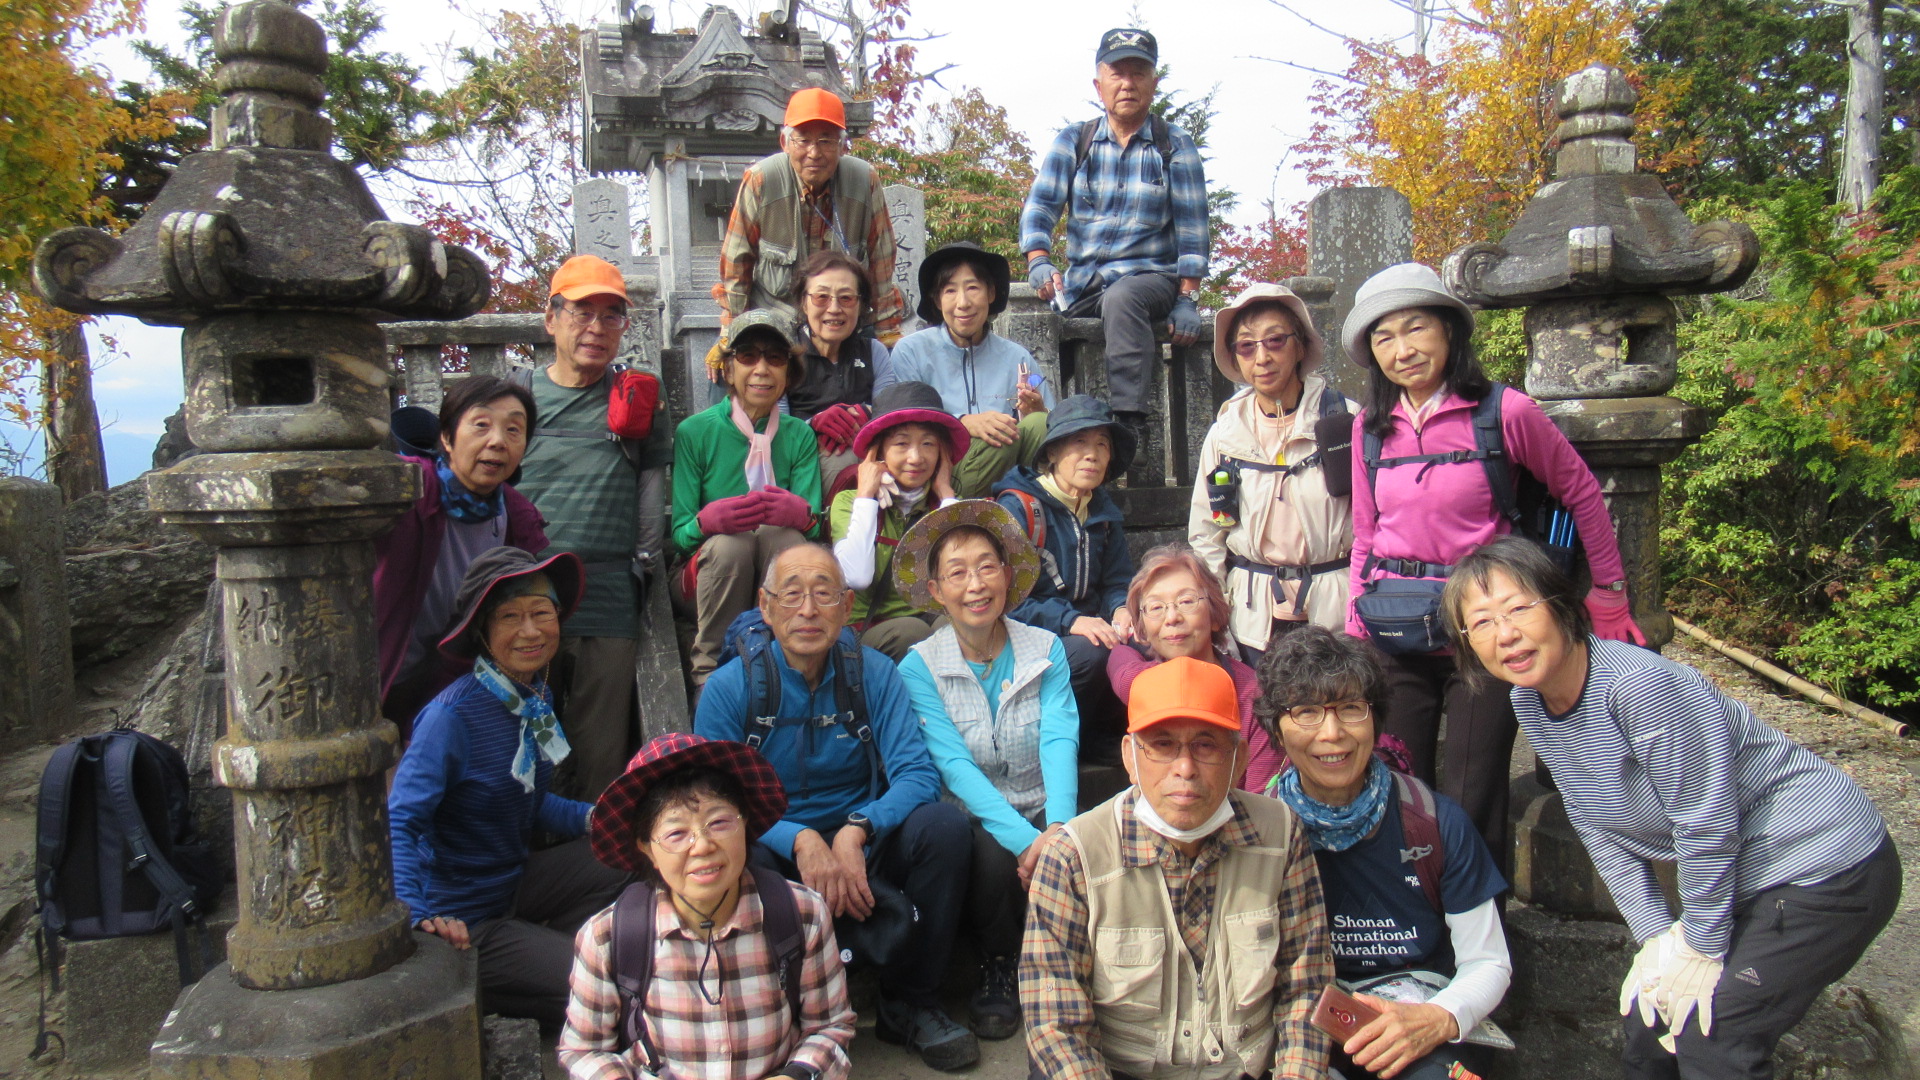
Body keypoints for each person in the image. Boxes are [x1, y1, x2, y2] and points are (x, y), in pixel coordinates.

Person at [1442, 537, 1900, 1080]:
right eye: (1482, 623)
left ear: (1561, 605)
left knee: (1713, 1035)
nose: (1505, 634)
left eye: (1519, 608)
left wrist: (1700, 947)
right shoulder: (1529, 700)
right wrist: (1656, 936)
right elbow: (1594, 822)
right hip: (1746, 874)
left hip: (1826, 865)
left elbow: (1706, 822)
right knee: (1651, 1022)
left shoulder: (1638, 686)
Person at [1342, 261, 1644, 867]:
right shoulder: (1369, 429)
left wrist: (1609, 594)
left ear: (1449, 330)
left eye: (1416, 328)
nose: (1402, 350)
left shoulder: (1503, 412)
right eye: (1384, 337)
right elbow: (1367, 531)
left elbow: (1581, 491)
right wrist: (1355, 618)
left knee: (1472, 791)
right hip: (1394, 625)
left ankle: (1478, 918)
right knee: (1399, 786)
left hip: (1486, 623)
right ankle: (1417, 913)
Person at [693, 544, 980, 1071]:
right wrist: (799, 839)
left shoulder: (873, 674)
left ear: (847, 607)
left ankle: (911, 1000)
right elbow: (716, 802)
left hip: (863, 843)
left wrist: (858, 829)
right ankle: (778, 1010)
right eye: (792, 595)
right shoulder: (731, 689)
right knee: (730, 854)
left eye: (824, 594)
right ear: (765, 606)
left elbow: (917, 775)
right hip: (775, 847)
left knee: (944, 827)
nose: (808, 610)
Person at [1022, 655, 1332, 1080]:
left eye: (1206, 745)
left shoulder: (1280, 834)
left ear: (1239, 760)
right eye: (1163, 745)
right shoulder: (1073, 856)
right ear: (1130, 757)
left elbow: (1306, 988)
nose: (1184, 769)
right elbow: (1056, 1022)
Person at [389, 547, 631, 1026]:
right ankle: (510, 976)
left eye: (542, 613)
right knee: (604, 984)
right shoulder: (450, 717)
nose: (531, 631)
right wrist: (418, 918)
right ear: (483, 631)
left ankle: (546, 956)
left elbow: (529, 800)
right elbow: (401, 819)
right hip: (465, 917)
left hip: (512, 884)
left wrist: (596, 817)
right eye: (510, 617)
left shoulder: (535, 697)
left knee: (626, 852)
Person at [1257, 626, 1511, 1080]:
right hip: (1297, 1023)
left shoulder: (1432, 821)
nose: (1332, 734)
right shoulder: (1259, 832)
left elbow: (1488, 960)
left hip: (1416, 1021)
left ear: (1376, 719)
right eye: (1307, 712)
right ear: (1277, 729)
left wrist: (1436, 1019)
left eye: (1351, 708)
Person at [558, 732, 856, 1079]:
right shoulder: (608, 937)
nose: (702, 846)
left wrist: (796, 1075)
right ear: (646, 847)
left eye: (719, 823)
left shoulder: (801, 914)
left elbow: (831, 1027)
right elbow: (583, 1050)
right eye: (676, 834)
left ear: (745, 823)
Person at [890, 499, 1079, 1042]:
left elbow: (1059, 736)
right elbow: (952, 764)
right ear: (936, 590)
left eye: (987, 567)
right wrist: (1026, 842)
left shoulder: (1045, 648)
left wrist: (1058, 829)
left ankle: (1068, 963)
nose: (975, 585)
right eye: (957, 573)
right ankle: (999, 962)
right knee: (994, 856)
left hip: (1042, 801)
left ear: (1008, 574)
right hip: (972, 814)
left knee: (1084, 842)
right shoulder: (919, 666)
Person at [513, 254, 672, 800]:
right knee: (520, 755)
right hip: (527, 594)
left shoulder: (639, 395)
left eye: (611, 316)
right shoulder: (519, 395)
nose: (596, 328)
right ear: (551, 318)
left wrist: (643, 566)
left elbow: (651, 495)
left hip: (607, 596)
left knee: (599, 758)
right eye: (582, 312)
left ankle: (592, 853)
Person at [1019, 27, 1209, 450]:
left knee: (1124, 297)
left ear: (1154, 83)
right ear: (1098, 84)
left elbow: (1193, 229)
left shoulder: (1174, 145)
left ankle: (1130, 423)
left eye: (1138, 74)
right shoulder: (1075, 140)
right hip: (1082, 282)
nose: (1127, 84)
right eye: (1117, 73)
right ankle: (1037, 435)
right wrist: (1039, 259)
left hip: (1149, 279)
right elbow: (1040, 205)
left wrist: (1188, 298)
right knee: (1033, 324)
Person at [1188, 283, 1355, 658]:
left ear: (1300, 346)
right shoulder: (1226, 433)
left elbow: (1375, 522)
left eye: (1275, 340)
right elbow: (1206, 532)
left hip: (1336, 610)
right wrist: (1217, 609)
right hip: (1253, 614)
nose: (1261, 357)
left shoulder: (1344, 421)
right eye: (1247, 346)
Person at [375, 375, 547, 732]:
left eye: (514, 430)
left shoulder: (518, 518)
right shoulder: (405, 492)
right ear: (446, 436)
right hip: (379, 676)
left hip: (451, 688)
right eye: (481, 425)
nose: (497, 441)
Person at [674, 310, 823, 686]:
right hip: (709, 576)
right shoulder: (695, 432)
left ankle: (789, 663)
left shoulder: (799, 435)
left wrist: (801, 516)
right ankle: (709, 674)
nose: (761, 369)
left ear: (788, 373)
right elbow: (678, 535)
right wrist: (705, 523)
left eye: (775, 358)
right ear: (728, 369)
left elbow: (814, 526)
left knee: (785, 538)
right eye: (747, 356)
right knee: (731, 544)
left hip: (774, 570)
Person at [993, 395, 1136, 758]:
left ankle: (1103, 735)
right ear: (1053, 452)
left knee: (1145, 639)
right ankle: (1064, 740)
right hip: (1026, 639)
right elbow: (1006, 601)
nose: (1092, 455)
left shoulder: (1103, 512)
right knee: (1092, 651)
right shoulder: (1018, 508)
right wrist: (1071, 621)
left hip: (1085, 626)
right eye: (1079, 442)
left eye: (1102, 445)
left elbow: (1117, 581)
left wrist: (1122, 609)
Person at [714, 87, 905, 340]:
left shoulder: (864, 180)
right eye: (803, 140)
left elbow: (882, 257)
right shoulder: (761, 179)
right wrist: (732, 332)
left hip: (840, 321)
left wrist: (887, 331)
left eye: (826, 141)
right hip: (776, 321)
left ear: (842, 146)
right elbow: (736, 261)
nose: (814, 153)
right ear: (785, 143)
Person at [880, 242, 1054, 498]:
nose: (963, 303)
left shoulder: (1017, 357)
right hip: (939, 473)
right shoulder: (911, 351)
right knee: (1000, 438)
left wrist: (1037, 412)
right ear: (937, 300)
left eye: (973, 288)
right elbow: (904, 423)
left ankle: (1025, 507)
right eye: (950, 291)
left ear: (991, 293)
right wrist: (963, 422)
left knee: (1039, 423)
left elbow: (1053, 426)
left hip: (1009, 471)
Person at [1107, 543, 1282, 794]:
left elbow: (1262, 800)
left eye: (1186, 601)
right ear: (1141, 628)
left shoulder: (1256, 697)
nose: (1172, 618)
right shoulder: (1140, 683)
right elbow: (1119, 658)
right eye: (1156, 607)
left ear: (1215, 614)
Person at [827, 381, 967, 660]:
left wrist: (946, 494)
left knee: (959, 622)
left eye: (928, 444)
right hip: (869, 630)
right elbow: (856, 577)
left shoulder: (947, 506)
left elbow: (962, 576)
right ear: (879, 453)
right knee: (911, 632)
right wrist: (866, 495)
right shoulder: (849, 502)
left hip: (928, 620)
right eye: (901, 444)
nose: (916, 458)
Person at [787, 250, 894, 488]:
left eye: (846, 298)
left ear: (861, 305)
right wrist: (812, 424)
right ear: (804, 302)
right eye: (821, 297)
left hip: (868, 453)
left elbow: (888, 412)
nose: (834, 308)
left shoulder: (874, 352)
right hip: (804, 459)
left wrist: (865, 411)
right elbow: (775, 428)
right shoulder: (786, 354)